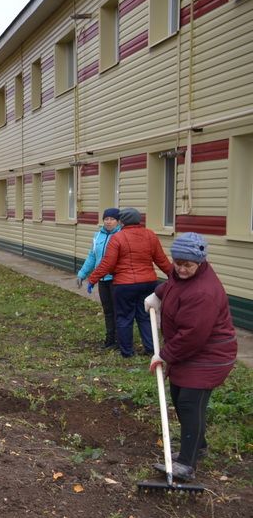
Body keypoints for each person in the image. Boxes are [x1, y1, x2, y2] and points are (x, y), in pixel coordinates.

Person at [144, 233, 237, 482]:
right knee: (178, 396)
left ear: (201, 262)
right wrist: (159, 293)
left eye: (188, 265)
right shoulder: (186, 272)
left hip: (209, 354)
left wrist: (164, 355)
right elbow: (174, 281)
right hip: (190, 351)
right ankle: (198, 446)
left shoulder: (203, 293)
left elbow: (193, 336)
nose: (181, 269)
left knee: (189, 403)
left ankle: (186, 464)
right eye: (178, 263)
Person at [87, 207, 172, 358]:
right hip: (148, 283)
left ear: (122, 221)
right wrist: (174, 276)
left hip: (124, 285)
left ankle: (127, 352)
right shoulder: (150, 235)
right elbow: (161, 260)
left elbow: (108, 263)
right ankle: (151, 349)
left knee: (124, 317)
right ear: (139, 220)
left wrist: (93, 278)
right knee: (144, 316)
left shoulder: (118, 238)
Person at [76, 207, 122, 349]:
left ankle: (120, 341)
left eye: (112, 219)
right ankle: (109, 340)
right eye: (106, 219)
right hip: (102, 280)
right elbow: (92, 256)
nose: (108, 222)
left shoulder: (122, 236)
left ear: (118, 221)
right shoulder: (98, 236)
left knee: (118, 311)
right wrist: (82, 274)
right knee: (108, 311)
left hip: (116, 279)